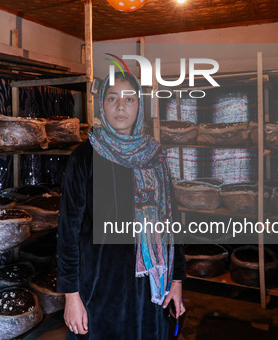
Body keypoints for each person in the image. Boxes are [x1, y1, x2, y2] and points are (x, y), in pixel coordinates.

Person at [57, 72, 186, 339]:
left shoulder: (155, 155)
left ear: (140, 105)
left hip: (151, 287)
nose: (120, 106)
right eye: (112, 98)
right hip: (100, 288)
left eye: (129, 99)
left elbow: (172, 222)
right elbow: (68, 231)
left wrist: (177, 281)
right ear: (101, 104)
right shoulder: (85, 157)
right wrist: (71, 296)